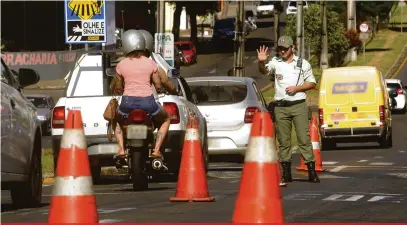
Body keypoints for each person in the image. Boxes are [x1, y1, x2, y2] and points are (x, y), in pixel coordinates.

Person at [257, 35, 320, 183]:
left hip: (298, 105)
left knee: (303, 139)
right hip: (281, 107)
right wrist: (261, 62)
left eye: (286, 48)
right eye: (280, 49)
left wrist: (297, 88)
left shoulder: (302, 63)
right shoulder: (275, 62)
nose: (283, 51)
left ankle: (311, 169)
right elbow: (264, 71)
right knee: (284, 141)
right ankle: (286, 172)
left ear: (292, 48)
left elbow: (311, 83)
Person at [113, 29, 171, 166]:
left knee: (114, 119)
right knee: (166, 118)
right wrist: (159, 88)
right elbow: (157, 84)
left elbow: (118, 86)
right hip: (148, 104)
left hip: (127, 104)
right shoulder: (150, 63)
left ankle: (121, 149)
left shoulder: (121, 64)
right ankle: (156, 150)